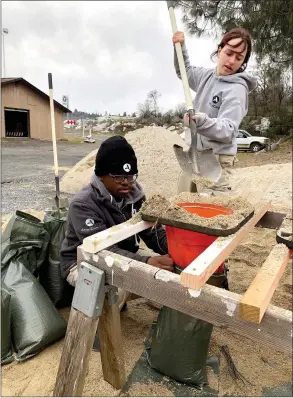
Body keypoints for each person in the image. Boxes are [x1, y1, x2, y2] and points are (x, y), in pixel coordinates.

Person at [60, 135, 173, 311]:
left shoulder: (135, 196)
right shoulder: (83, 203)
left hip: (122, 251)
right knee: (107, 296)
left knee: (168, 270)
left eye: (130, 176)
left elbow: (153, 233)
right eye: (118, 176)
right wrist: (146, 262)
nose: (126, 182)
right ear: (101, 175)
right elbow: (102, 251)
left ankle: (139, 293)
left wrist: (175, 249)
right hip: (83, 262)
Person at [173, 27, 257, 195]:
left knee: (214, 213)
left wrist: (202, 122)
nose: (232, 61)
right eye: (229, 53)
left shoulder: (237, 90)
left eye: (238, 58)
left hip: (216, 160)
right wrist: (180, 47)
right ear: (220, 50)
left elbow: (228, 130)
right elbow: (184, 71)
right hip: (195, 154)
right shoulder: (206, 76)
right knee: (186, 206)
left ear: (243, 63)